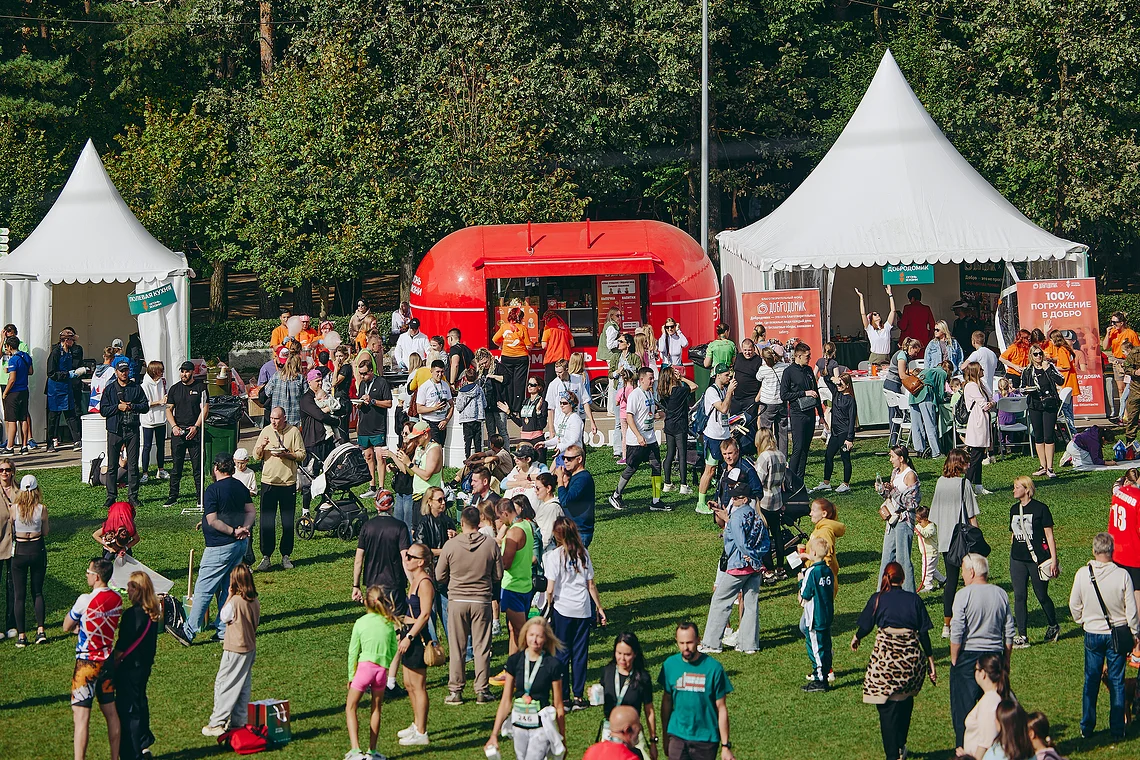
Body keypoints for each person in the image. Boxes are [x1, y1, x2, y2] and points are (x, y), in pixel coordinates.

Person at [850, 562, 936, 760]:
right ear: (902, 579)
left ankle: (892, 754)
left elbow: (866, 626)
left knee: (887, 710)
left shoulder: (878, 599)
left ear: (885, 577)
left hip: (885, 664)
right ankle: (900, 745)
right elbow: (923, 634)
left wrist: (857, 637)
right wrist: (931, 661)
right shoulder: (914, 600)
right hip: (909, 664)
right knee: (905, 701)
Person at [169, 453, 255, 646]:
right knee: (227, 588)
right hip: (239, 545)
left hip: (220, 546)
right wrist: (244, 529)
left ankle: (188, 632)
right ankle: (224, 630)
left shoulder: (212, 490)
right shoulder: (239, 486)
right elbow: (251, 511)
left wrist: (233, 531)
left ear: (216, 468)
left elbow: (213, 520)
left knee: (203, 590)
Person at [1068, 532, 1140, 741]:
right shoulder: (1122, 575)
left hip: (1092, 632)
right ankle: (1117, 729)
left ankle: (1087, 726)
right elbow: (1131, 611)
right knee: (1117, 682)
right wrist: (1135, 633)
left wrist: (1082, 620)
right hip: (1117, 633)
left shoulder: (1083, 574)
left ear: (1094, 550)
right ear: (1112, 551)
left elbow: (1074, 604)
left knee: (1091, 681)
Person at [436, 505, 503, 705]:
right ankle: (482, 690)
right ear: (479, 521)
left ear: (462, 522)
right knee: (482, 646)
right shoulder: (490, 544)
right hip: (481, 600)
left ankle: (456, 691)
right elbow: (498, 574)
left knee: (457, 647)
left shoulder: (451, 545)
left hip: (457, 600)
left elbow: (439, 575)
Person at [948, 553, 1015, 749]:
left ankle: (964, 749)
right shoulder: (1000, 594)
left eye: (963, 570)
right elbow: (1009, 630)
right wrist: (1006, 659)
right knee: (998, 705)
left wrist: (954, 658)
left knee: (963, 710)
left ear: (971, 572)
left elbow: (957, 630)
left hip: (968, 656)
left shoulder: (963, 595)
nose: (962, 575)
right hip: (994, 656)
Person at [543, 516, 605, 709]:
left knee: (562, 653)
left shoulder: (554, 556)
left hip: (563, 609)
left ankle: (564, 698)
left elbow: (550, 589)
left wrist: (548, 607)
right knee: (580, 654)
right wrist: (599, 608)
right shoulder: (583, 553)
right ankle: (578, 696)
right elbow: (591, 584)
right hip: (583, 609)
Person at [701, 481, 768, 655]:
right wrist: (756, 557)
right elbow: (765, 543)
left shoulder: (737, 517)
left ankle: (711, 643)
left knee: (720, 601)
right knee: (750, 605)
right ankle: (749, 644)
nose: (733, 500)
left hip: (738, 566)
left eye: (736, 497)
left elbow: (740, 543)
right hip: (755, 568)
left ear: (745, 499)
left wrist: (749, 555)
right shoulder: (758, 516)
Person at [486, 616, 567, 760]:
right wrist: (494, 734)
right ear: (525, 636)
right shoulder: (515, 661)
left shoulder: (552, 664)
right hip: (519, 725)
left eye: (539, 636)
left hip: (541, 726)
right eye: (531, 635)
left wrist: (562, 737)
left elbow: (558, 704)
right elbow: (505, 701)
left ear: (546, 639)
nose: (534, 640)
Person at [66, 557, 122, 759]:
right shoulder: (117, 599)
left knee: (81, 718)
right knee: (111, 713)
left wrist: (79, 628)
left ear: (97, 577)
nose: (87, 575)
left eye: (89, 572)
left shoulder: (84, 600)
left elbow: (66, 625)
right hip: (107, 661)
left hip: (86, 663)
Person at [659, 622, 736, 760]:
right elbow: (666, 702)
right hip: (677, 735)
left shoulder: (713, 668)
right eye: (681, 643)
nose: (685, 647)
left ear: (698, 640)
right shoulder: (670, 665)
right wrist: (665, 735)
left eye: (689, 642)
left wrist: (725, 746)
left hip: (705, 738)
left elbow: (721, 708)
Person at [928, 448, 982, 638]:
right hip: (964, 540)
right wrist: (978, 537)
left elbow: (934, 515)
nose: (968, 466)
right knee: (971, 580)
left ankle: (947, 625)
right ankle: (972, 621)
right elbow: (972, 515)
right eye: (966, 462)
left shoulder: (940, 482)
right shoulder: (964, 484)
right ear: (959, 464)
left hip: (946, 540)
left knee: (951, 582)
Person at [201, 564, 260, 737]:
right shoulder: (254, 600)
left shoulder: (235, 602)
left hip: (235, 648)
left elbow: (224, 616)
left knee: (226, 683)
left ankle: (217, 722)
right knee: (243, 685)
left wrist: (229, 595)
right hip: (250, 647)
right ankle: (239, 721)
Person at [1007, 476, 1060, 648]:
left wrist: (1053, 559)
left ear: (1027, 489)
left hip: (1037, 560)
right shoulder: (1013, 509)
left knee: (1041, 595)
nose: (1014, 490)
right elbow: (1013, 534)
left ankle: (1053, 624)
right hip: (1017, 559)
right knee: (1019, 596)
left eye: (1017, 487)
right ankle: (1022, 635)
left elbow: (1049, 536)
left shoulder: (1041, 509)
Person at [391, 543, 436, 747]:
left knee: (418, 686)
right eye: (407, 555)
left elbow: (425, 615)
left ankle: (422, 731)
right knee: (408, 684)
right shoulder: (415, 579)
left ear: (421, 562)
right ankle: (416, 723)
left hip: (416, 637)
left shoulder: (425, 583)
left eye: (410, 556)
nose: (406, 558)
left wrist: (409, 637)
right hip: (408, 632)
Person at [251, 406, 305, 571]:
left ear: (284, 418)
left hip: (287, 483)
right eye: (272, 418)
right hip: (269, 482)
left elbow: (302, 454)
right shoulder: (266, 431)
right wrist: (262, 446)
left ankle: (286, 555)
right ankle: (266, 556)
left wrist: (287, 455)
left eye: (276, 419)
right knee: (267, 521)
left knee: (287, 521)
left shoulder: (293, 432)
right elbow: (255, 455)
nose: (273, 422)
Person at [114, 571, 161, 760]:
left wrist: (111, 665)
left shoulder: (132, 615)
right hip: (144, 667)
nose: (128, 590)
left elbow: (122, 646)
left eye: (131, 587)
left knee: (129, 711)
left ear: (139, 590)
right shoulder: (152, 613)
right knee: (140, 703)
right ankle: (143, 745)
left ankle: (133, 752)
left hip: (129, 669)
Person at [611, 367, 666, 512]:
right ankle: (616, 495)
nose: (652, 381)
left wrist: (658, 416)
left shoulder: (650, 393)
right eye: (650, 378)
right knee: (632, 468)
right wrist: (638, 435)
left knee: (656, 466)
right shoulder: (635, 395)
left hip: (650, 438)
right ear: (641, 380)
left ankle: (656, 500)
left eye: (653, 378)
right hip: (636, 440)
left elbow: (648, 414)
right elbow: (629, 417)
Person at [99, 356, 148, 508]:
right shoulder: (110, 389)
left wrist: (132, 406)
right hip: (115, 430)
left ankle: (133, 496)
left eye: (126, 370)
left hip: (132, 430)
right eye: (121, 371)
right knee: (112, 466)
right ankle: (111, 496)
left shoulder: (136, 388)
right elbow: (103, 410)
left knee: (133, 465)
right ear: (116, 372)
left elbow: (145, 406)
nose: (124, 373)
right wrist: (117, 407)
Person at [600, 633, 659, 758]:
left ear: (635, 654)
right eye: (619, 653)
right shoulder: (608, 672)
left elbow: (649, 711)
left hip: (632, 734)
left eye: (627, 655)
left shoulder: (642, 678)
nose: (622, 659)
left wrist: (653, 741)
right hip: (610, 732)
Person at [354, 491, 412, 618]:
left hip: (372, 585)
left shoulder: (367, 527)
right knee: (397, 622)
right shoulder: (400, 527)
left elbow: (359, 560)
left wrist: (356, 586)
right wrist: (413, 584)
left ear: (376, 506)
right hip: (394, 583)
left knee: (375, 621)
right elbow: (405, 558)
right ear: (392, 506)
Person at [161, 361, 208, 508]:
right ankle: (173, 496)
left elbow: (205, 409)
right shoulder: (175, 389)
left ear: (192, 372)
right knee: (176, 466)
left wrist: (196, 426)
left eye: (187, 371)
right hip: (178, 432)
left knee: (197, 467)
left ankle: (200, 497)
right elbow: (168, 410)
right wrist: (174, 427)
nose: (184, 374)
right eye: (182, 371)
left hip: (195, 432)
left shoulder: (201, 387)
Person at [10, 473, 48, 646]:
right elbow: (45, 532)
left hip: (20, 551)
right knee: (37, 592)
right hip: (37, 549)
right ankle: (41, 630)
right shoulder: (42, 509)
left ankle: (22, 635)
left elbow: (11, 527)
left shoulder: (14, 508)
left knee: (19, 595)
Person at [1019, 346, 1064, 477]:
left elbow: (1061, 380)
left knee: (1048, 436)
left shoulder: (1049, 366)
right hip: (1034, 404)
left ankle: (1050, 467)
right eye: (1035, 354)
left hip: (1049, 404)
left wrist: (1047, 369)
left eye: (1040, 353)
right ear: (1031, 356)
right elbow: (1021, 387)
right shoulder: (1027, 371)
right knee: (1038, 435)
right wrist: (1027, 389)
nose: (1038, 356)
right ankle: (1042, 466)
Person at [878, 446, 919, 593]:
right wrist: (883, 490)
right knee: (887, 557)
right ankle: (881, 593)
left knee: (903, 559)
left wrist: (893, 491)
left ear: (901, 458)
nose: (890, 460)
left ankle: (909, 594)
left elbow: (912, 502)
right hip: (892, 520)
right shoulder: (895, 472)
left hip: (904, 521)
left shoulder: (910, 475)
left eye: (892, 457)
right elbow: (892, 496)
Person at [697, 364, 735, 515]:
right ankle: (700, 502)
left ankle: (725, 499)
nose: (729, 378)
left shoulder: (724, 389)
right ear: (718, 375)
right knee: (710, 469)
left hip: (724, 434)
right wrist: (730, 391)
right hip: (713, 436)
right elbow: (723, 408)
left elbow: (727, 410)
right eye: (726, 375)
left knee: (728, 468)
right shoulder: (711, 391)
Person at [799, 536, 836, 692]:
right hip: (827, 614)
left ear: (813, 553)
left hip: (815, 616)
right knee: (826, 646)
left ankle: (820, 678)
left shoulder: (811, 572)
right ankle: (824, 673)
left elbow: (806, 594)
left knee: (816, 647)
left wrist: (800, 581)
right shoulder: (828, 570)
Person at [781, 343, 820, 484]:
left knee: (805, 449)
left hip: (810, 412)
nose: (809, 358)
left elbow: (816, 392)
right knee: (798, 448)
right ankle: (789, 482)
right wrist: (803, 393)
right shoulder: (789, 372)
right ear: (798, 356)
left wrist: (821, 414)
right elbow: (784, 395)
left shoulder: (809, 370)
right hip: (797, 414)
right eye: (807, 356)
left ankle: (800, 482)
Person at [754, 428, 788, 583]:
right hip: (777, 498)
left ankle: (768, 569)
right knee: (777, 533)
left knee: (764, 536)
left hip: (764, 499)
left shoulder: (764, 457)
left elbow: (758, 480)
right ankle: (781, 567)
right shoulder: (780, 455)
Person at [45, 328, 87, 451]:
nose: (73, 342)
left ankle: (77, 440)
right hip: (55, 389)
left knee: (71, 414)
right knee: (53, 417)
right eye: (72, 340)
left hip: (67, 387)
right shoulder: (55, 353)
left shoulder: (69, 352)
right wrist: (67, 374)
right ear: (66, 340)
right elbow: (51, 373)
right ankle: (50, 443)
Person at [961, 654, 1011, 759]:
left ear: (983, 674)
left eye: (976, 669)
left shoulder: (989, 702)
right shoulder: (1007, 694)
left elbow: (985, 743)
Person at [814, 372, 856, 493]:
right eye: (838, 384)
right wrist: (835, 379)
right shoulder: (836, 393)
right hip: (835, 432)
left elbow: (852, 420)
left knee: (845, 458)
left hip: (844, 433)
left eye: (841, 384)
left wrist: (850, 438)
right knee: (828, 456)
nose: (838, 386)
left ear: (847, 385)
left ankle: (846, 484)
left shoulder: (850, 400)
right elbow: (826, 378)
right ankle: (826, 483)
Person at [659, 364, 696, 495]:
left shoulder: (663, 392)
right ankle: (683, 484)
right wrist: (683, 379)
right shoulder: (679, 391)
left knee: (669, 454)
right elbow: (694, 386)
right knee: (682, 454)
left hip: (669, 424)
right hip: (680, 425)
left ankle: (667, 483)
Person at [962, 362, 996, 495]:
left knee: (980, 454)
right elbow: (984, 404)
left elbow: (991, 398)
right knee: (975, 456)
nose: (983, 371)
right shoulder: (971, 386)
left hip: (983, 420)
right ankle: (966, 485)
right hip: (977, 421)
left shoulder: (981, 384)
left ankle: (978, 485)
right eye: (980, 369)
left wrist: (991, 403)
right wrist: (991, 403)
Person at [883, 338, 923, 448]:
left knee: (895, 412)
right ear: (911, 348)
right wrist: (915, 380)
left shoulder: (904, 355)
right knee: (895, 412)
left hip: (892, 384)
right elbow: (902, 375)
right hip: (892, 384)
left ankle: (895, 439)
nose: (915, 355)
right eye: (915, 352)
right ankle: (894, 440)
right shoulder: (902, 356)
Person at [545, 358, 596, 440]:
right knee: (563, 446)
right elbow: (550, 409)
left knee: (577, 445)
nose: (558, 375)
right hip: (560, 423)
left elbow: (585, 402)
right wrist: (551, 431)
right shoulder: (553, 384)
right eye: (556, 372)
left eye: (560, 372)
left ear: (567, 370)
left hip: (575, 420)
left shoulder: (577, 380)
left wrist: (592, 422)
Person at [911, 359, 950, 459]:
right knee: (930, 424)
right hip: (925, 394)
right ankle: (936, 452)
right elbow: (940, 392)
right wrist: (944, 398)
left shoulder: (929, 370)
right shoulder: (942, 373)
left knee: (916, 425)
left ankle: (920, 450)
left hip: (913, 395)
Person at [1102, 311, 1139, 418]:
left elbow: (1137, 350)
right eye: (1111, 322)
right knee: (1120, 389)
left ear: (1121, 323)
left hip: (1128, 362)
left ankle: (1131, 413)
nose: (1113, 324)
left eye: (1115, 322)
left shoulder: (1130, 333)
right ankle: (1124, 414)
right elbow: (1105, 347)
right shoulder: (1113, 332)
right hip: (1117, 362)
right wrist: (1107, 334)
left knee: (1131, 389)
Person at [557, 445, 595, 545]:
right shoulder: (575, 477)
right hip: (572, 530)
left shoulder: (582, 479)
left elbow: (565, 501)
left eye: (569, 459)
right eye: (564, 458)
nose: (565, 461)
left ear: (579, 459)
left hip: (580, 531)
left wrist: (560, 479)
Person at [730, 339, 763, 453]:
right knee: (734, 423)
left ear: (753, 349)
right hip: (736, 397)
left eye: (749, 350)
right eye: (745, 350)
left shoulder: (758, 361)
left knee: (749, 423)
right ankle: (736, 447)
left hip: (751, 398)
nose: (747, 353)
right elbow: (735, 372)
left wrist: (757, 398)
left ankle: (750, 449)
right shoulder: (738, 357)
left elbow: (762, 381)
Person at [1043, 328, 1079, 433]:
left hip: (1066, 382)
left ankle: (1071, 431)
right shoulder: (1065, 348)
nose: (1051, 342)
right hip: (1069, 382)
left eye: (1051, 340)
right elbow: (1062, 359)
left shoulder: (1062, 350)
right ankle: (1071, 430)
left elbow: (1066, 366)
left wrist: (1052, 367)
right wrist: (1053, 360)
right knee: (1068, 409)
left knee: (1065, 409)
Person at [138, 361, 167, 482]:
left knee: (161, 445)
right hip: (148, 420)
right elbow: (144, 404)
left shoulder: (162, 382)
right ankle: (145, 473)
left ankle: (161, 469)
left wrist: (165, 399)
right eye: (161, 370)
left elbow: (165, 395)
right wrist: (159, 402)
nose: (162, 372)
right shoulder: (144, 385)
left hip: (161, 419)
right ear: (154, 371)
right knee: (147, 446)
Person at [756, 347, 788, 455]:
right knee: (782, 431)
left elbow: (758, 378)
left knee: (766, 430)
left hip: (767, 402)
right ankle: (782, 456)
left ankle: (765, 454)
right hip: (781, 401)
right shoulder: (784, 367)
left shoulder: (763, 369)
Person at [508, 374, 548, 458]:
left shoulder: (542, 402)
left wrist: (538, 411)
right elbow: (521, 423)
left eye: (533, 385)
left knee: (538, 463)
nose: (529, 386)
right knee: (525, 463)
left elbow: (542, 425)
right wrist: (509, 413)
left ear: (539, 387)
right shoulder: (525, 402)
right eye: (528, 384)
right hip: (525, 438)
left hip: (536, 438)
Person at [477, 347, 510, 445]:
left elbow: (507, 379)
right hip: (488, 405)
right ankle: (491, 451)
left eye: (485, 362)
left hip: (499, 404)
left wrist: (493, 376)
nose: (484, 365)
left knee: (502, 431)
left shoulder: (499, 367)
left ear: (489, 358)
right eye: (481, 363)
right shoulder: (481, 371)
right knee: (490, 432)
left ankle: (506, 452)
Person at [856, 285, 897, 364]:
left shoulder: (886, 327)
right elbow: (863, 314)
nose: (877, 315)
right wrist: (861, 298)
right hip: (875, 357)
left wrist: (890, 294)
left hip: (886, 357)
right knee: (874, 372)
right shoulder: (870, 329)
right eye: (874, 314)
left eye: (878, 314)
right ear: (870, 319)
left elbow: (893, 311)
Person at [456, 365, 487, 458]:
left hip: (466, 420)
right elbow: (484, 404)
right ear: (476, 377)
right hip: (477, 419)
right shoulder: (479, 389)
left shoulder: (461, 391)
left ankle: (467, 459)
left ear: (465, 378)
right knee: (478, 442)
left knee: (467, 442)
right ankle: (478, 460)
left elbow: (459, 407)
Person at [914, 506, 945, 593]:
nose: (919, 524)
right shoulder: (921, 526)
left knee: (926, 570)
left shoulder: (931, 527)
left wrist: (918, 529)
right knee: (931, 569)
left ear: (927, 519)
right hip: (925, 553)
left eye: (920, 522)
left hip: (931, 553)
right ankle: (942, 580)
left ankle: (928, 586)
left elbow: (926, 534)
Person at [0, 458, 15, 640]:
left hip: (15, 546)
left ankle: (11, 624)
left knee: (13, 587)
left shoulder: (19, 492)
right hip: (0, 545)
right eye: (1, 470)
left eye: (7, 470)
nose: (4, 473)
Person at [549, 391, 585, 463]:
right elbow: (558, 438)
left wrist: (560, 448)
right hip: (562, 453)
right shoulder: (563, 418)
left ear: (571, 404)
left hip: (572, 455)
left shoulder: (575, 419)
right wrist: (545, 444)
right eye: (560, 403)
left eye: (564, 403)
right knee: (552, 470)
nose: (562, 405)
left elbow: (573, 440)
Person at [540, 311, 575, 384]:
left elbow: (544, 345)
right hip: (565, 359)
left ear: (548, 319)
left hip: (552, 359)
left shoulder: (548, 328)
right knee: (565, 382)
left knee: (550, 383)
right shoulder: (565, 327)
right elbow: (572, 344)